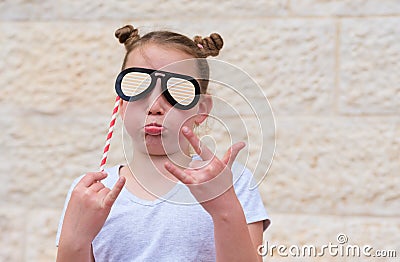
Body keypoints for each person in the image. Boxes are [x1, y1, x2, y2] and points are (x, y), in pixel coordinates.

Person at [56, 24, 270, 262]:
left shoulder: (233, 183)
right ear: (122, 104)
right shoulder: (89, 193)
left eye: (177, 91)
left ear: (202, 109)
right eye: (138, 87)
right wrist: (75, 240)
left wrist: (225, 209)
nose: (155, 106)